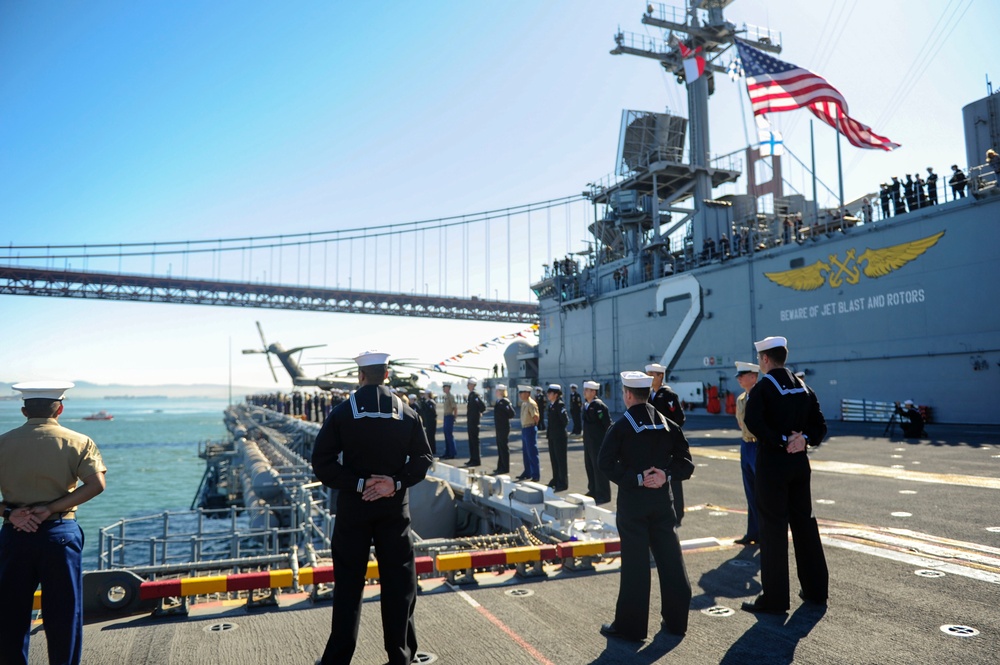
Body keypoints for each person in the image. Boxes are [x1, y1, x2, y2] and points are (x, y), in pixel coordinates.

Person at [312, 351, 433, 665]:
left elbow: (321, 463)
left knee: (349, 586)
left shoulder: (341, 413)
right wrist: (393, 482)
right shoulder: (407, 413)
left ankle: (337, 659)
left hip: (355, 509)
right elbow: (423, 460)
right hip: (394, 510)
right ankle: (402, 655)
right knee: (399, 584)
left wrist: (358, 483)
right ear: (388, 374)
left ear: (360, 375)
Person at [0, 381, 107, 665]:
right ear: (59, 409)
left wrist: (10, 513)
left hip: (15, 534)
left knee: (10, 615)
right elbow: (96, 485)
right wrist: (49, 509)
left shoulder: (3, 442)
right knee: (64, 615)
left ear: (24, 410)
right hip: (60, 532)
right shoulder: (79, 441)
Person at [597, 371, 695, 641]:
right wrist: (665, 475)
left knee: (635, 566)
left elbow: (604, 463)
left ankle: (631, 627)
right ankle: (676, 622)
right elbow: (686, 464)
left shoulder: (620, 427)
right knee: (672, 561)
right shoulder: (668, 425)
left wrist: (636, 478)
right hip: (664, 502)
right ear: (648, 394)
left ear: (628, 394)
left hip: (633, 504)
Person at [742, 336, 829, 614]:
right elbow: (820, 427)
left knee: (773, 530)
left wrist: (781, 440)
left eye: (759, 359)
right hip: (799, 465)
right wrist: (802, 439)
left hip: (773, 466)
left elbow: (753, 422)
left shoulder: (764, 388)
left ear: (765, 359)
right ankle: (816, 590)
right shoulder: (804, 388)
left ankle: (776, 600)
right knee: (805, 525)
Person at [645, 363, 687, 525]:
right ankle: (662, 511)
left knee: (672, 478)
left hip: (668, 444)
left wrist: (668, 435)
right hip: (654, 444)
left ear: (660, 376)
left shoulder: (668, 395)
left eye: (652, 375)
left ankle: (677, 514)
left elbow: (679, 418)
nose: (649, 378)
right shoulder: (650, 395)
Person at [733, 362, 761, 546]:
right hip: (746, 445)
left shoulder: (762, 396)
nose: (739, 378)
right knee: (750, 492)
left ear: (754, 376)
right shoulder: (741, 399)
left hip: (759, 446)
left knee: (762, 493)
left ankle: (765, 533)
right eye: (739, 375)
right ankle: (753, 533)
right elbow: (740, 423)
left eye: (743, 375)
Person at [581, 380, 611, 504]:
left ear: (594, 392)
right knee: (590, 467)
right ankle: (593, 490)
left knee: (599, 469)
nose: (584, 392)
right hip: (588, 442)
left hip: (598, 442)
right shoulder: (586, 405)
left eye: (587, 390)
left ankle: (603, 494)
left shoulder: (599, 406)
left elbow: (607, 425)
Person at [544, 384, 569, 491]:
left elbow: (565, 420)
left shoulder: (560, 405)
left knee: (560, 460)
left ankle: (562, 482)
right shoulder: (551, 405)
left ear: (555, 394)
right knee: (554, 459)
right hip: (552, 436)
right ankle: (555, 479)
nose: (548, 395)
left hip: (559, 437)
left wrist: (558, 431)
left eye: (550, 393)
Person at [515, 386, 541, 482]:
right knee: (526, 453)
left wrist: (533, 425)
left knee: (532, 453)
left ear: (527, 393)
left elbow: (536, 417)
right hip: (525, 428)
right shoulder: (524, 403)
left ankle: (535, 475)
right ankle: (527, 472)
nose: (520, 394)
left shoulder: (531, 404)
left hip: (530, 427)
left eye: (522, 392)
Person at [491, 385, 516, 475]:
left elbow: (512, 413)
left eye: (497, 390)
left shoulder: (505, 402)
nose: (496, 392)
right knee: (500, 447)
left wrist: (504, 418)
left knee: (503, 447)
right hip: (499, 427)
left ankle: (505, 467)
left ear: (501, 392)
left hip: (503, 427)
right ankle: (500, 466)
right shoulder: (499, 401)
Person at [464, 378, 486, 468]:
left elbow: (482, 406)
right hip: (471, 421)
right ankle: (472, 459)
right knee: (471, 440)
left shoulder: (475, 395)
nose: (467, 385)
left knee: (474, 441)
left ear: (473, 385)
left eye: (469, 384)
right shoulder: (471, 395)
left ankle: (476, 460)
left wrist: (478, 414)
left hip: (474, 421)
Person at [441, 383, 457, 460]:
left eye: (445, 387)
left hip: (449, 416)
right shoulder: (446, 397)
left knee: (449, 435)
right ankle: (447, 452)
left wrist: (454, 417)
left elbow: (455, 408)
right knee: (446, 435)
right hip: (446, 416)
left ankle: (452, 453)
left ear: (448, 388)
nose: (443, 389)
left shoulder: (451, 397)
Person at [420, 389, 437, 456]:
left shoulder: (431, 402)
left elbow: (432, 412)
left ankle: (433, 450)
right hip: (427, 421)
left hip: (431, 421)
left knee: (431, 436)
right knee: (428, 436)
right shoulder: (426, 402)